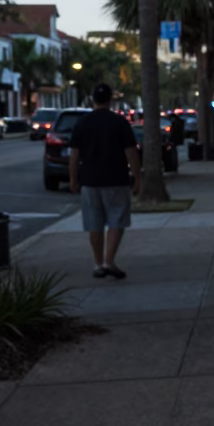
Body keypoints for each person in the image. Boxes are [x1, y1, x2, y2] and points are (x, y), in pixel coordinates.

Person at [69, 82, 141, 279]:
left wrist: (73, 179)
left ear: (94, 99)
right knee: (117, 220)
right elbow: (131, 153)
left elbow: (74, 155)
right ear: (110, 100)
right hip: (116, 179)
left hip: (90, 181)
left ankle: (99, 263)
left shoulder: (82, 123)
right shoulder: (119, 122)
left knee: (94, 223)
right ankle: (109, 261)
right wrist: (137, 177)